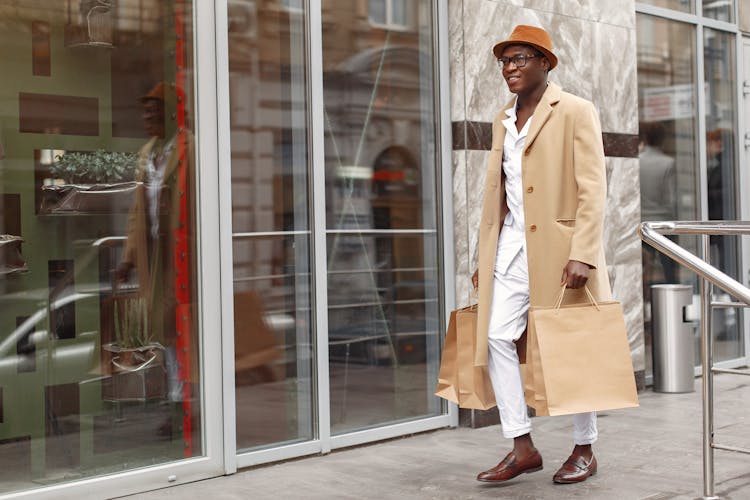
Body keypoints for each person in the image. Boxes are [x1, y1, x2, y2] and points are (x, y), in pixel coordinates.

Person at [471, 25, 611, 484]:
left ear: (545, 62)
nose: (509, 69)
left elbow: (593, 187)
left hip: (561, 247)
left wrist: (584, 253)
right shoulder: (502, 118)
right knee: (494, 336)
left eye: (519, 59)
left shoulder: (574, 110)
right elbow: (500, 191)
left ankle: (584, 447)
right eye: (504, 62)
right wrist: (484, 257)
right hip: (510, 246)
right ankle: (521, 444)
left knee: (572, 344)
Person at [116, 82, 194, 416]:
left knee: (184, 329)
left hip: (183, 254)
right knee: (165, 331)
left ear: (172, 111)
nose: (147, 115)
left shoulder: (190, 146)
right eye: (145, 109)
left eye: (154, 108)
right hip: (154, 255)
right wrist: (129, 258)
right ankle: (178, 404)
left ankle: (191, 404)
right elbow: (137, 211)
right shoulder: (147, 152)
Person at [639, 121, 677, 283]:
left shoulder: (637, 161)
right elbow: (671, 196)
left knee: (643, 268)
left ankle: (646, 303)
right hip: (664, 221)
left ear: (645, 138)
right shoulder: (668, 163)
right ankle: (674, 305)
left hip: (642, 221)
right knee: (669, 266)